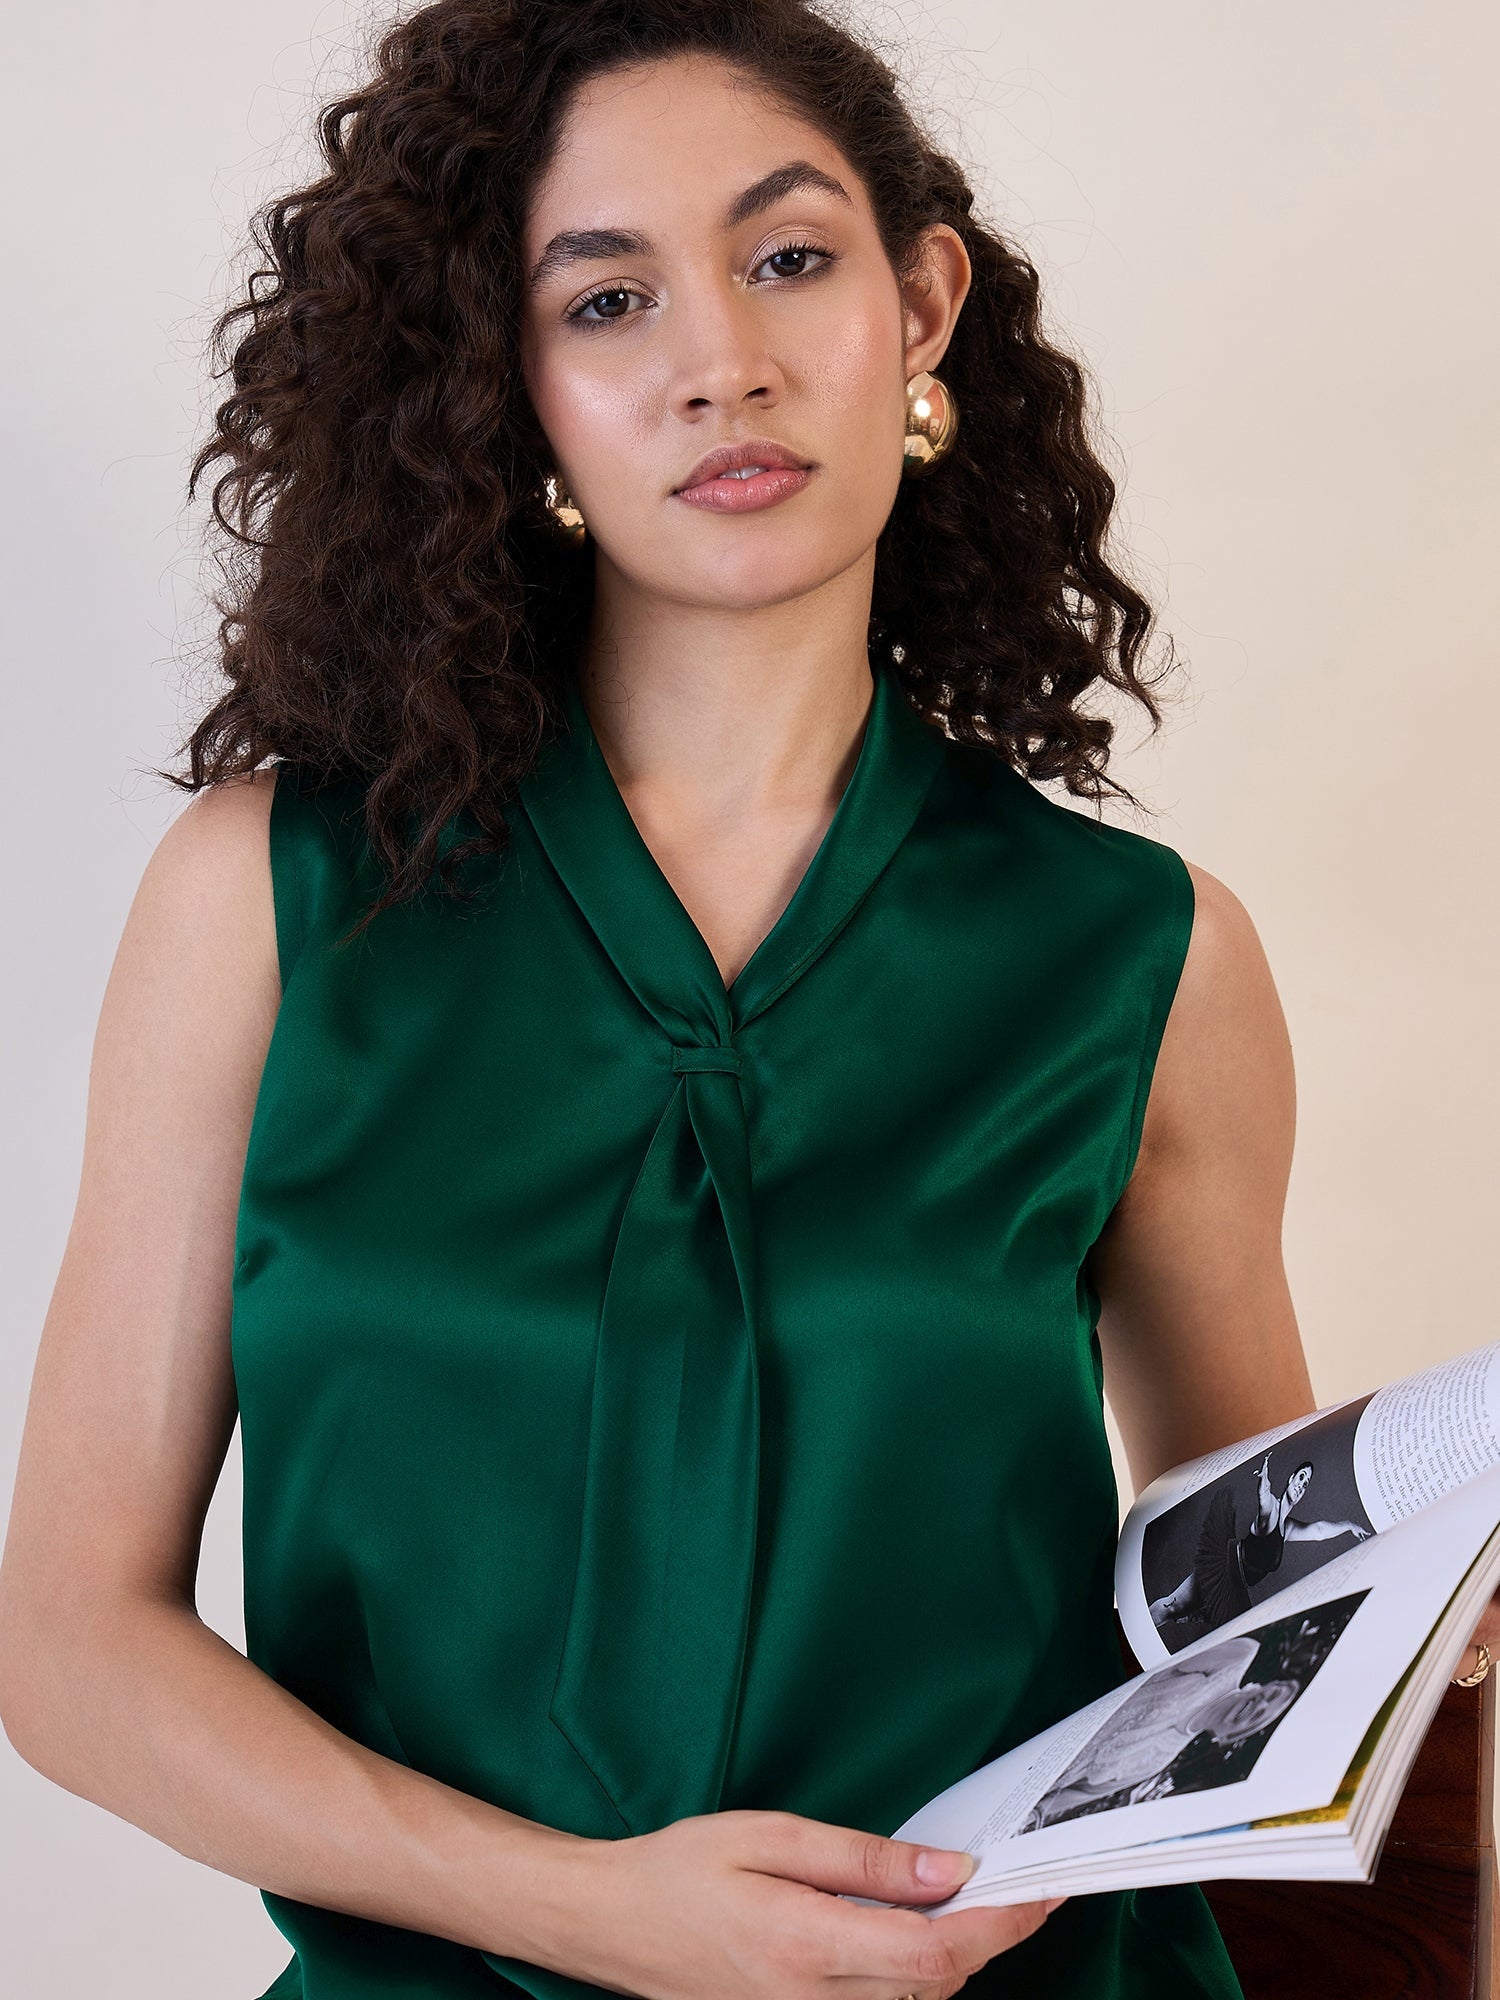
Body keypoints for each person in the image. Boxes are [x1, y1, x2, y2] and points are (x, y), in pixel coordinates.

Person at [0, 4, 1490, 1999]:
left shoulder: (1144, 953)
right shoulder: (268, 904)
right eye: (607, 301)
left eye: (791, 258)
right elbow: (70, 1639)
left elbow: (1241, 1616)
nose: (725, 363)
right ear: (507, 380)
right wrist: (582, 1908)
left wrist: (1424, 1605)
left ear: (923, 304)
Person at [1021, 1637, 1299, 1830]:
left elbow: (1078, 1793)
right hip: (1042, 1704)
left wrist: (1033, 1814)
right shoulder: (1237, 1659)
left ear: (1233, 1737)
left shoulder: (1158, 1761)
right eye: (1270, 1693)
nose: (1259, 1704)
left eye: (1262, 1715)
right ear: (1256, 1685)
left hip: (1020, 1780)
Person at [1149, 1455, 1374, 1634]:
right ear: (1291, 1478)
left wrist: (1347, 1525)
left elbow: (1319, 1531)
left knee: (1182, 1613)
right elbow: (1264, 1503)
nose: (1302, 1485)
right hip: (1222, 1570)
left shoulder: (1288, 1528)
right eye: (1301, 1477)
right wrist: (1263, 1482)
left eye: (1306, 1483)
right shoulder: (1272, 1510)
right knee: (1173, 1606)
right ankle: (1143, 1625)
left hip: (1235, 1588)